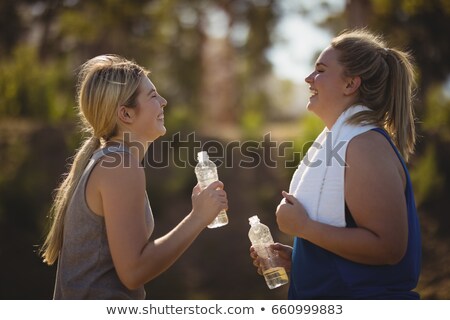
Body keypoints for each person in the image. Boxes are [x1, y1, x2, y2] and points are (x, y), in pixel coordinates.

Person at [250, 29, 421, 299]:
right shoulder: (347, 140)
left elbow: (388, 248)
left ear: (350, 84)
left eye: (320, 70)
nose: (308, 78)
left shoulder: (364, 145)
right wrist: (303, 261)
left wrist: (304, 228)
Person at [40, 54, 228, 299]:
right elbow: (134, 272)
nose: (164, 101)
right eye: (152, 96)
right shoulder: (120, 166)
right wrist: (198, 218)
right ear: (126, 115)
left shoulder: (110, 160)